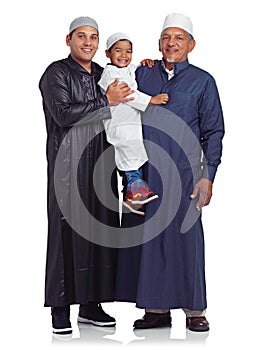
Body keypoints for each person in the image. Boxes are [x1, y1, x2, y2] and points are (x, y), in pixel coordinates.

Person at [115, 13, 224, 332]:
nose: (171, 43)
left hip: (185, 172)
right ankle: (156, 309)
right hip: (146, 171)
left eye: (178, 38)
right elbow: (120, 105)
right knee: (148, 239)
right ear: (159, 44)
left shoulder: (203, 81)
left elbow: (213, 131)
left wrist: (209, 175)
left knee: (186, 239)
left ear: (191, 44)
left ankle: (194, 309)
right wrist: (128, 175)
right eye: (166, 37)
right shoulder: (143, 75)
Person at [39, 16, 135, 335]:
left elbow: (129, 80)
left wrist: (145, 63)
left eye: (94, 37)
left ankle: (92, 304)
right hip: (68, 167)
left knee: (100, 232)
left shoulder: (101, 74)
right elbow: (64, 115)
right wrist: (105, 101)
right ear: (69, 40)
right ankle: (60, 307)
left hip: (101, 164)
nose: (89, 42)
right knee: (66, 236)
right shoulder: (56, 73)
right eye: (82, 36)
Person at [98, 32, 169, 216]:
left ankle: (134, 195)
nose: (124, 55)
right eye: (118, 51)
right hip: (120, 123)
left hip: (130, 122)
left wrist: (145, 62)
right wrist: (151, 100)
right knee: (130, 154)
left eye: (128, 51)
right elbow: (127, 93)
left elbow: (133, 69)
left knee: (134, 154)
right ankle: (135, 194)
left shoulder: (126, 68)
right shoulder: (109, 74)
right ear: (107, 53)